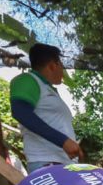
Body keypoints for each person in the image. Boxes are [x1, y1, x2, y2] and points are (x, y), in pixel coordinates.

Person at [10, 43, 83, 171]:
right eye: (62, 66)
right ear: (53, 65)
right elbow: (20, 112)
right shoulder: (28, 80)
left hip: (61, 163)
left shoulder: (47, 88)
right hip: (47, 162)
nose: (63, 71)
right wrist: (63, 141)